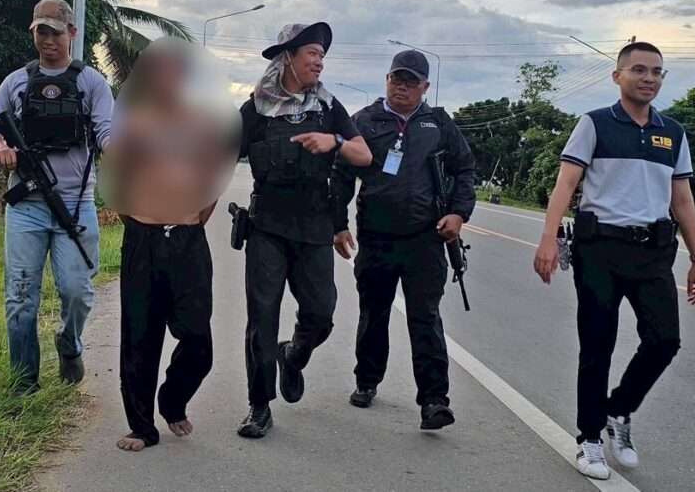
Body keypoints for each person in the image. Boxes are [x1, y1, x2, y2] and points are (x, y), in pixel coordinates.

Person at [533, 42, 695, 480]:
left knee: (665, 340)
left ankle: (618, 409)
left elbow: (682, 199)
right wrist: (548, 240)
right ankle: (589, 438)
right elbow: (565, 184)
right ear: (618, 76)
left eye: (657, 72)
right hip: (600, 250)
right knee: (598, 345)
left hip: (652, 252)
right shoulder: (594, 124)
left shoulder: (673, 133)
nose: (649, 78)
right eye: (639, 70)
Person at [236, 22, 373, 439]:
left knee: (321, 313)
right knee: (262, 318)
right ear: (288, 58)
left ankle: (293, 355)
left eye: (321, 55)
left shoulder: (329, 108)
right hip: (267, 227)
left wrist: (334, 142)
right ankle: (259, 406)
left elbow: (364, 155)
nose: (319, 61)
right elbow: (219, 156)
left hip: (314, 228)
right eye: (312, 53)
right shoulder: (255, 110)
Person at [105, 39, 238, 452]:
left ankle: (173, 399)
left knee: (198, 339)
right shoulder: (133, 123)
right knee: (139, 339)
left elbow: (214, 175)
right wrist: (141, 217)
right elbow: (115, 180)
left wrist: (191, 216)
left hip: (187, 242)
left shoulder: (203, 123)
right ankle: (142, 427)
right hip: (142, 242)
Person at [331, 50, 476, 430]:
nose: (402, 87)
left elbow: (465, 170)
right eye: (397, 79)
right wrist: (337, 224)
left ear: (425, 86)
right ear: (387, 80)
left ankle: (434, 400)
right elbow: (342, 175)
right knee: (373, 313)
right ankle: (367, 380)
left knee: (425, 318)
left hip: (425, 239)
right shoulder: (364, 121)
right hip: (377, 238)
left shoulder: (438, 124)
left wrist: (459, 213)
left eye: (411, 82)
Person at [0, 0, 113, 395]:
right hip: (26, 207)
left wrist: (121, 150)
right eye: (41, 31)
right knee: (21, 295)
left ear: (71, 33)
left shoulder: (92, 83)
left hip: (76, 204)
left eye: (55, 32)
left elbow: (108, 131)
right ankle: (24, 383)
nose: (47, 40)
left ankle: (69, 343)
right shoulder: (16, 82)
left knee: (77, 291)